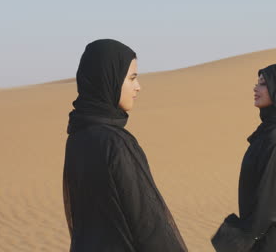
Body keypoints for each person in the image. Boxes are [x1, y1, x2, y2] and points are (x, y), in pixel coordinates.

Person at [63, 39, 187, 252]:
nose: (138, 87)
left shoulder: (77, 135)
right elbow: (149, 223)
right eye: (131, 78)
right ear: (108, 79)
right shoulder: (116, 143)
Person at [211, 64, 276, 252]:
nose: (256, 88)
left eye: (263, 84)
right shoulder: (272, 132)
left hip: (273, 243)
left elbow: (268, 200)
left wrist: (235, 242)